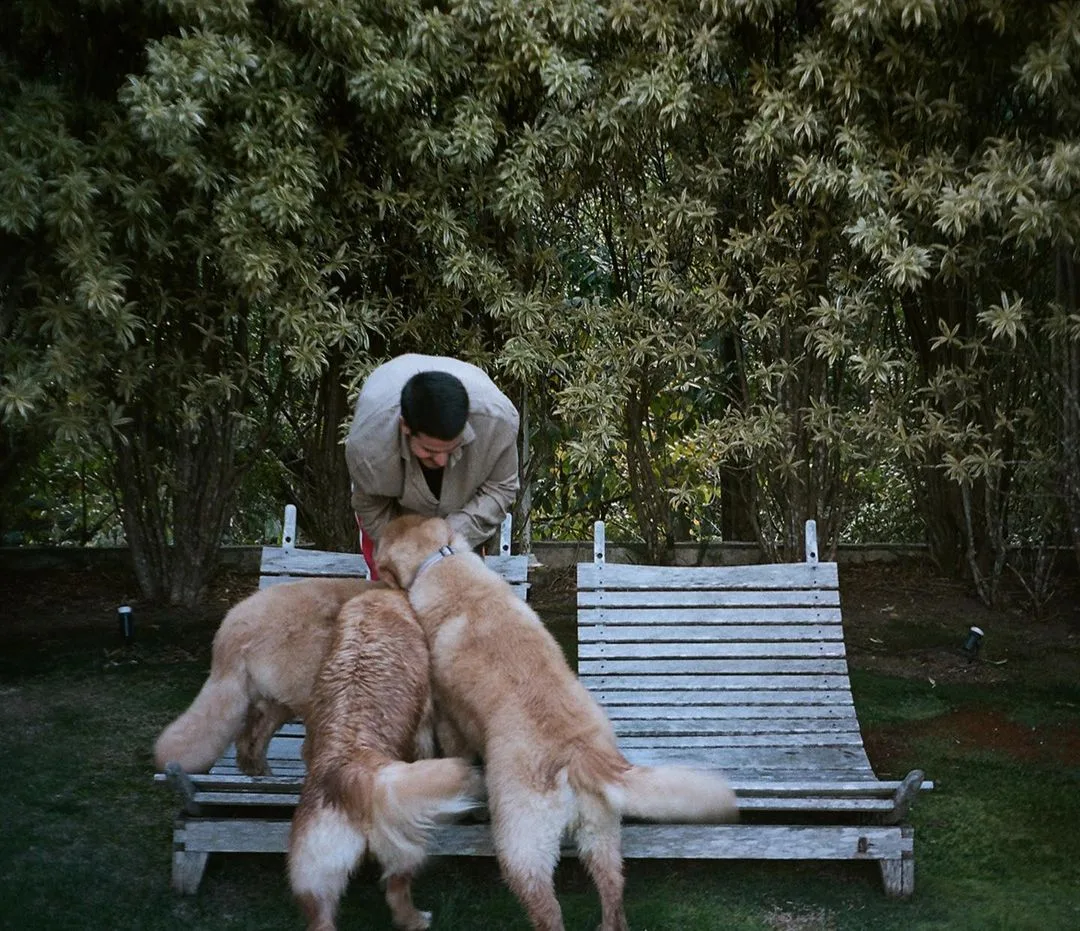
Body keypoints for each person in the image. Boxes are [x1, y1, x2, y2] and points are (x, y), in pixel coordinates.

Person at [344, 354, 520, 577]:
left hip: (461, 505)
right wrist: (404, 554)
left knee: (459, 582)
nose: (441, 461)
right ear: (405, 427)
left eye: (451, 449)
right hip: (393, 506)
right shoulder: (368, 446)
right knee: (391, 584)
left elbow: (500, 489)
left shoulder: (498, 423)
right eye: (429, 451)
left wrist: (447, 538)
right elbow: (371, 507)